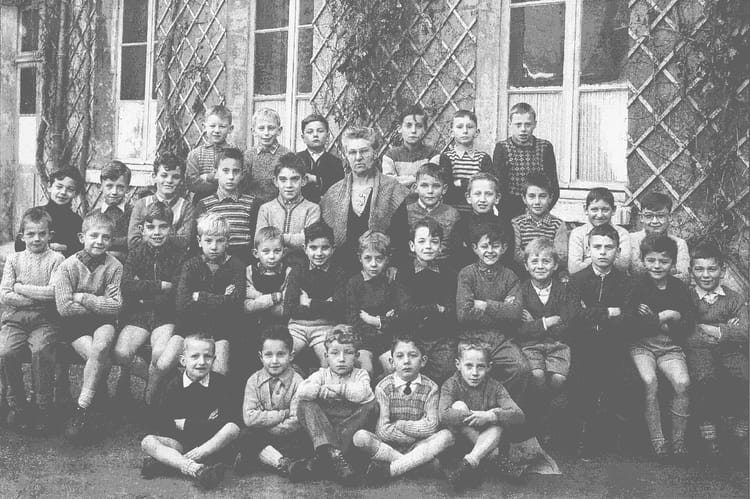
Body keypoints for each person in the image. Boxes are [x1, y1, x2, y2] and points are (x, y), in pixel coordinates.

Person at [52, 212, 123, 442]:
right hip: (75, 324)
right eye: (94, 235)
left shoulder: (114, 266)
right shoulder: (67, 266)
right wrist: (100, 303)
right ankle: (97, 404)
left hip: (103, 322)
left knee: (101, 348)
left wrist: (82, 297)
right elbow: (64, 308)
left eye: (105, 237)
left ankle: (81, 408)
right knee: (99, 357)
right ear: (82, 237)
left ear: (111, 240)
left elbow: (116, 306)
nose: (99, 241)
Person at [140, 334, 240, 490]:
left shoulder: (222, 384)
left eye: (207, 356)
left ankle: (171, 463)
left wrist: (186, 424)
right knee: (148, 441)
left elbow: (227, 420)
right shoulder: (173, 387)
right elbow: (165, 424)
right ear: (183, 360)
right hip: (182, 443)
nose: (202, 362)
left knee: (232, 428)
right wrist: (206, 422)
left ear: (214, 360)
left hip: (211, 444)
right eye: (195, 356)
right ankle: (197, 469)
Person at [567, 223, 632, 457]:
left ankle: (611, 435)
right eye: (597, 247)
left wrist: (592, 312)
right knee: (582, 381)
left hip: (613, 342)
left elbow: (628, 317)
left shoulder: (625, 282)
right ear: (588, 249)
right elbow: (573, 315)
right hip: (583, 342)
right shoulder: (577, 280)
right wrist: (609, 311)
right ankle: (582, 435)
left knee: (618, 380)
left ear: (618, 251)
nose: (603, 252)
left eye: (609, 247)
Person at [354, 335, 455, 485]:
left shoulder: (431, 388)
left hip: (420, 445)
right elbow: (382, 431)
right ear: (392, 362)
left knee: (447, 436)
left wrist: (400, 425)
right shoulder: (383, 387)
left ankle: (392, 469)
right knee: (360, 437)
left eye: (413, 355)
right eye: (400, 356)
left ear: (423, 361)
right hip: (389, 447)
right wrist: (412, 434)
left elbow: (432, 427)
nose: (406, 361)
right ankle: (417, 464)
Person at [626, 234, 693, 460]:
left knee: (682, 382)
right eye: (651, 260)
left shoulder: (679, 288)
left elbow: (686, 325)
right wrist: (668, 316)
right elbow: (631, 324)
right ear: (643, 260)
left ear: (672, 263)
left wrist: (660, 317)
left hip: (670, 347)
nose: (657, 266)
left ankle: (679, 443)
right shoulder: (636, 286)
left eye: (663, 261)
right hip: (642, 346)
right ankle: (658, 441)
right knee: (649, 380)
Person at [114, 202, 185, 409]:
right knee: (121, 352)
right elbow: (127, 286)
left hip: (165, 315)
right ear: (142, 229)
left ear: (171, 229)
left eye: (163, 227)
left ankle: (150, 396)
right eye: (151, 227)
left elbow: (177, 290)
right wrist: (160, 286)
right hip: (137, 315)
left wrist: (144, 293)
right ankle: (158, 381)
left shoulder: (178, 255)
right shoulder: (136, 253)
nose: (156, 232)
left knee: (159, 353)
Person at [0, 208, 64, 434]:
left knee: (40, 350)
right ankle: (17, 405)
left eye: (42, 233)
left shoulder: (57, 259)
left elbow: (53, 293)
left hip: (45, 320)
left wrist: (21, 288)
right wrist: (34, 299)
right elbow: (5, 294)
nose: (37, 238)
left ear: (50, 235)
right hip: (15, 320)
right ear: (22, 236)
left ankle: (42, 406)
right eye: (31, 234)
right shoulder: (14, 259)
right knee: (5, 351)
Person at [686, 242, 748, 459]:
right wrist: (726, 330)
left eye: (712, 269)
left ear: (722, 271)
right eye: (699, 269)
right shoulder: (687, 297)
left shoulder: (734, 298)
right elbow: (685, 330)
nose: (705, 275)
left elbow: (745, 332)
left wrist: (713, 329)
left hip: (730, 351)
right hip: (698, 350)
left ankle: (741, 427)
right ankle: (708, 432)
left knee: (744, 375)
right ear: (691, 271)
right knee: (705, 378)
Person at [320, 126, 410, 275]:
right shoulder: (334, 193)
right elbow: (326, 236)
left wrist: (394, 265)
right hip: (342, 270)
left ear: (375, 153)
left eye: (364, 151)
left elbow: (401, 235)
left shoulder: (392, 189)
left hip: (380, 269)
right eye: (352, 152)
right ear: (346, 155)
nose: (358, 157)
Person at [439, 339, 526, 492]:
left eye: (480, 366)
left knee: (497, 425)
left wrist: (489, 416)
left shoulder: (495, 387)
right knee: (458, 406)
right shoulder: (451, 384)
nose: (474, 373)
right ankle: (494, 459)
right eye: (469, 366)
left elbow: (519, 415)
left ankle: (470, 462)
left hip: (488, 438)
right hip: (462, 441)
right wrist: (474, 416)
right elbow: (443, 415)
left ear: (489, 367)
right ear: (458, 364)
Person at [455, 222, 530, 399]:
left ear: (504, 248)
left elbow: (515, 314)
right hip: (471, 337)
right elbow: (464, 314)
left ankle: (502, 404)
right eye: (484, 246)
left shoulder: (510, 277)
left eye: (495, 246)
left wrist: (484, 305)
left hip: (500, 338)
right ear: (475, 248)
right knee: (465, 370)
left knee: (521, 369)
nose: (490, 251)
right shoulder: (467, 274)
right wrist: (501, 310)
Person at [295, 327, 378, 486]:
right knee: (304, 404)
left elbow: (362, 393)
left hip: (349, 428)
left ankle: (327, 456)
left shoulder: (360, 374)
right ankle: (334, 455)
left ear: (356, 356)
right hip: (325, 425)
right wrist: (321, 391)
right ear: (326, 356)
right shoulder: (321, 374)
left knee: (371, 404)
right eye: (334, 353)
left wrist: (339, 390)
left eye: (348, 352)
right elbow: (302, 391)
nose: (341, 359)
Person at [517, 237, 579, 440]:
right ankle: (541, 420)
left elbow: (567, 323)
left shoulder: (563, 290)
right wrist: (549, 321)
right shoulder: (521, 291)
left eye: (546, 261)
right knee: (536, 375)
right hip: (530, 345)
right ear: (526, 265)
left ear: (555, 265)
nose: (540, 266)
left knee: (559, 379)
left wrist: (535, 323)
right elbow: (519, 330)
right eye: (534, 261)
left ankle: (547, 410)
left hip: (558, 344)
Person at [235, 325, 311, 480]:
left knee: (304, 443)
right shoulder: (253, 381)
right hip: (260, 435)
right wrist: (283, 414)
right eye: (268, 355)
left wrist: (264, 424)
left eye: (281, 354)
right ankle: (282, 463)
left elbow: (295, 421)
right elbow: (249, 418)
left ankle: (258, 457)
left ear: (291, 355)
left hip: (288, 436)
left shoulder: (298, 382)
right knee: (244, 435)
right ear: (260, 356)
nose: (274, 361)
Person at [175, 213, 246, 376]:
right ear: (199, 241)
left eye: (220, 241)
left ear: (227, 242)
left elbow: (235, 305)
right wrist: (222, 298)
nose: (214, 247)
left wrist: (200, 296)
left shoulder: (236, 266)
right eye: (208, 241)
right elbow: (182, 305)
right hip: (191, 325)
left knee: (219, 370)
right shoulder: (191, 265)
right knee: (164, 362)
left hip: (222, 327)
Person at [397, 218, 457, 384]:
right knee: (407, 368)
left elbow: (451, 311)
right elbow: (405, 310)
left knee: (446, 369)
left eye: (434, 242)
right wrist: (435, 308)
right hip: (411, 334)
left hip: (440, 336)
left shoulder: (449, 273)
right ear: (412, 246)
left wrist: (425, 310)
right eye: (422, 241)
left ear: (441, 246)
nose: (428, 246)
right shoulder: (404, 273)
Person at [284, 221, 346, 369]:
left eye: (325, 248)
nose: (319, 253)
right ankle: (297, 377)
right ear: (305, 249)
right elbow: (289, 308)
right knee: (284, 356)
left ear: (333, 249)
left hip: (325, 327)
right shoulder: (297, 272)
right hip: (297, 327)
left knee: (329, 361)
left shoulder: (339, 274)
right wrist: (326, 304)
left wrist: (309, 302)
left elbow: (339, 309)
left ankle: (322, 382)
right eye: (313, 248)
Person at [345, 231, 407, 377]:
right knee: (366, 370)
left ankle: (381, 387)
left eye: (379, 258)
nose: (373, 264)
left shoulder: (390, 281)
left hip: (388, 339)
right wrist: (383, 321)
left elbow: (399, 314)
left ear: (387, 259)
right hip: (363, 340)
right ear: (360, 258)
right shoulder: (354, 283)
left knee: (394, 369)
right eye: (368, 258)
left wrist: (374, 320)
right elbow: (353, 318)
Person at [493, 102, 559, 219]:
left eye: (528, 124)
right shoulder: (502, 148)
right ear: (510, 124)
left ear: (535, 124)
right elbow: (498, 186)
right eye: (518, 125)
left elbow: (553, 186)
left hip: (539, 209)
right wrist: (508, 212)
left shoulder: (545, 147)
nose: (523, 129)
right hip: (510, 211)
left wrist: (540, 210)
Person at [254, 153, 321, 266]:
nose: (289, 185)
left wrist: (277, 237)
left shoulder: (312, 209)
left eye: (294, 179)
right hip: (271, 266)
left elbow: (308, 240)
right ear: (276, 181)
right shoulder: (266, 209)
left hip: (302, 266)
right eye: (283, 180)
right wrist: (295, 239)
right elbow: (260, 240)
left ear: (304, 181)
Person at [196, 148, 257, 264]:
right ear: (216, 173)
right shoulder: (205, 205)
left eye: (236, 171)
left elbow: (255, 241)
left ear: (242, 174)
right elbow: (197, 244)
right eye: (225, 171)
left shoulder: (252, 203)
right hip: (214, 263)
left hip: (244, 262)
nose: (231, 177)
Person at [450, 172, 516, 273]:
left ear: (497, 198)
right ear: (468, 197)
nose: (482, 199)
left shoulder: (505, 225)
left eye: (488, 194)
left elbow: (508, 259)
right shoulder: (461, 226)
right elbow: (457, 259)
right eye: (477, 194)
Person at [128, 152, 195, 251]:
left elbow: (184, 241)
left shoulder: (186, 207)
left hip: (173, 258)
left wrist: (149, 236)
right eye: (164, 175)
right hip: (144, 257)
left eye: (175, 177)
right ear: (154, 177)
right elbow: (133, 242)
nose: (169, 180)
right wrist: (172, 235)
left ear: (181, 180)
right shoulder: (142, 204)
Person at [15, 167, 84, 257]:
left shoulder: (76, 221)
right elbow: (19, 245)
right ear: (49, 187)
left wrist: (64, 247)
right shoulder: (34, 214)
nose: (63, 192)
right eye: (59, 187)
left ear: (76, 193)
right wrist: (48, 247)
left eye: (70, 189)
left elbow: (80, 248)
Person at [436, 109, 493, 214]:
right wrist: (473, 185)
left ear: (476, 132)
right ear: (451, 132)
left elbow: (486, 187)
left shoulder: (483, 158)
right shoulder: (447, 157)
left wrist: (459, 183)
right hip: (452, 212)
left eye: (470, 127)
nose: (465, 131)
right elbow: (448, 190)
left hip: (478, 213)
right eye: (459, 127)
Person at [406, 162, 461, 265]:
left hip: (444, 265)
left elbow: (456, 249)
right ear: (415, 188)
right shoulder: (406, 212)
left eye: (436, 186)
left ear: (444, 189)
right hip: (412, 265)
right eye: (424, 186)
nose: (430, 191)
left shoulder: (452, 214)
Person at [511, 172, 568, 272]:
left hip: (549, 273)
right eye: (532, 196)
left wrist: (543, 265)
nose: (537, 202)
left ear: (550, 198)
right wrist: (534, 265)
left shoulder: (558, 225)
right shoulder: (517, 223)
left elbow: (561, 255)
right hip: (523, 273)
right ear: (524, 198)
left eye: (542, 196)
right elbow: (515, 253)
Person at [568, 187, 631, 274]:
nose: (600, 215)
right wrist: (608, 258)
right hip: (585, 281)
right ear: (585, 209)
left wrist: (589, 259)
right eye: (594, 209)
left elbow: (622, 265)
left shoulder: (622, 234)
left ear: (613, 210)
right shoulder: (578, 234)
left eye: (605, 210)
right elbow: (574, 269)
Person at [630, 192, 690, 283]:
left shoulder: (679, 244)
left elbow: (683, 277)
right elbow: (636, 271)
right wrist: (669, 269)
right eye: (649, 216)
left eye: (661, 216)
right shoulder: (632, 240)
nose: (654, 221)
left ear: (670, 217)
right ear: (641, 217)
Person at [244, 227, 292, 334]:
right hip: (253, 324)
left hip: (279, 325)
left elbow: (285, 309)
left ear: (284, 252)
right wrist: (274, 298)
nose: (272, 256)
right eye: (266, 251)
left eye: (277, 251)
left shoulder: (288, 272)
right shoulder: (249, 271)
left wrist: (259, 302)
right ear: (256, 253)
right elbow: (246, 306)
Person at [186, 104, 237, 202]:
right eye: (212, 126)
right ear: (204, 127)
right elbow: (192, 183)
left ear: (230, 129)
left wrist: (207, 177)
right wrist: (222, 184)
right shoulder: (195, 154)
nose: (217, 130)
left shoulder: (235, 152)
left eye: (222, 126)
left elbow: (239, 180)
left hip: (229, 202)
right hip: (203, 202)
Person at [382, 105, 436, 193]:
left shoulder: (433, 155)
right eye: (408, 126)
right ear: (399, 129)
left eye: (418, 126)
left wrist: (400, 180)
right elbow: (389, 183)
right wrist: (416, 179)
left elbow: (431, 182)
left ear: (425, 129)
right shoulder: (391, 156)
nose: (413, 130)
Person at [243, 107, 292, 204]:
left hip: (280, 205)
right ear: (253, 132)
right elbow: (242, 184)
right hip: (252, 205)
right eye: (261, 128)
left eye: (271, 128)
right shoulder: (248, 155)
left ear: (279, 130)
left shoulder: (287, 155)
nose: (266, 133)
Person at [89, 160, 132, 261]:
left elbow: (134, 241)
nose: (114, 192)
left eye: (120, 187)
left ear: (127, 188)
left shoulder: (134, 213)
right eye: (109, 186)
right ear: (101, 186)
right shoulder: (93, 215)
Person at [297, 113, 344, 203]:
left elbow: (339, 188)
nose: (315, 135)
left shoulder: (335, 162)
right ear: (303, 138)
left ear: (327, 136)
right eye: (310, 132)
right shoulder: (296, 159)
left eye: (320, 131)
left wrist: (315, 179)